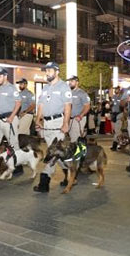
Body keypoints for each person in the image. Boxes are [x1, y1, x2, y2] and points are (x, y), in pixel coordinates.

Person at [33, 62, 72, 192]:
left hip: (58, 122)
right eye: (46, 70)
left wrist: (65, 123)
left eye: (50, 70)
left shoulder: (64, 87)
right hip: (47, 124)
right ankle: (71, 174)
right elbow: (41, 105)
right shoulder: (45, 88)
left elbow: (67, 106)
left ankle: (44, 182)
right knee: (57, 153)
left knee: (52, 153)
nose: (47, 73)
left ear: (57, 72)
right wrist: (38, 120)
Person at [66, 76, 90, 142]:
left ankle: (77, 152)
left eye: (72, 81)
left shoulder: (82, 93)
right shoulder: (68, 93)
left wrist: (80, 116)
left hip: (78, 119)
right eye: (69, 81)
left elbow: (87, 106)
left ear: (77, 82)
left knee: (75, 138)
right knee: (71, 138)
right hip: (69, 119)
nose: (70, 83)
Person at [109, 86, 124, 151]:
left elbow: (123, 106)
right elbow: (111, 104)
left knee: (117, 131)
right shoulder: (113, 97)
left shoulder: (121, 97)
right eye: (115, 89)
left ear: (119, 90)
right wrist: (110, 104)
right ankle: (121, 144)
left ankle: (115, 145)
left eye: (117, 89)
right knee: (116, 131)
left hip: (119, 114)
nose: (116, 90)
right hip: (113, 114)